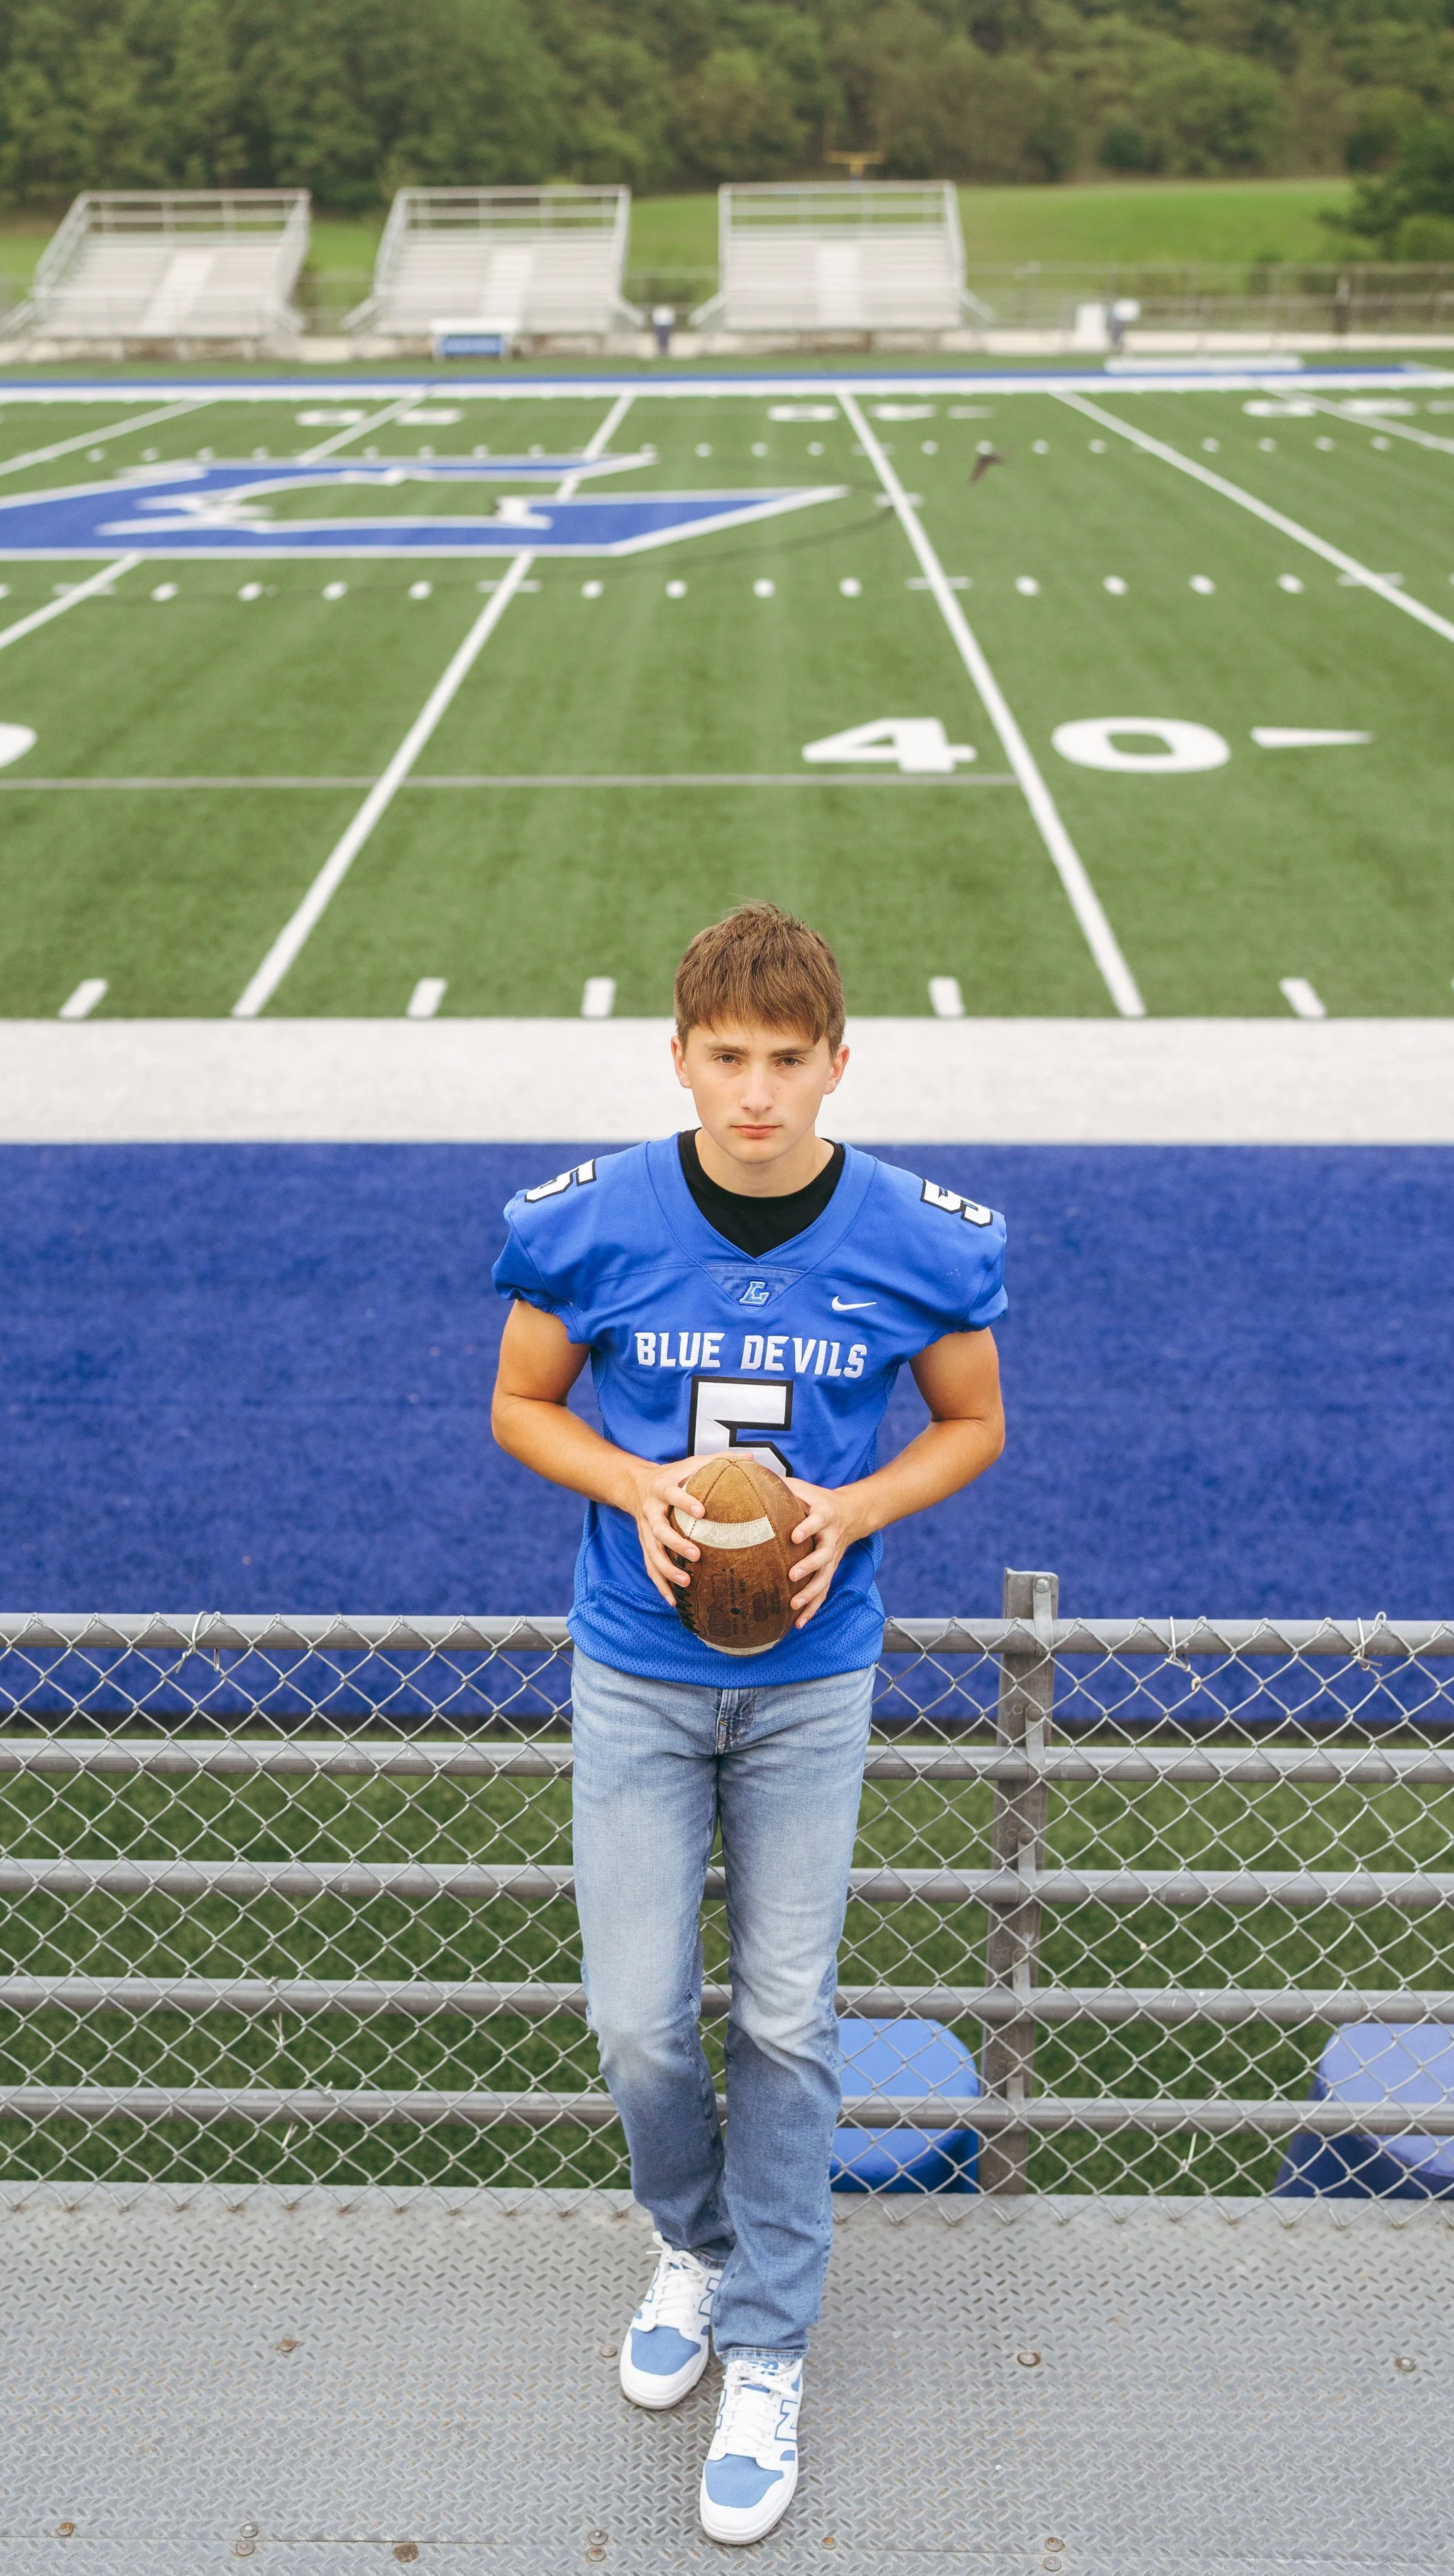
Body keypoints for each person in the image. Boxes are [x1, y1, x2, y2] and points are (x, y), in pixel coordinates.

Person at [490, 904, 1006, 2545]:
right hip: (638, 1670)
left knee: (785, 2017)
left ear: (835, 1064)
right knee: (640, 2021)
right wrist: (637, 1483)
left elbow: (973, 1424)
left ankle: (769, 2346)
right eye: (729, 1058)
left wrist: (848, 1511)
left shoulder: (912, 1236)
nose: (759, 1093)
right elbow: (519, 1400)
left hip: (809, 1683)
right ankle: (692, 2247)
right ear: (680, 1057)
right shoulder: (594, 1220)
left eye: (789, 1062)